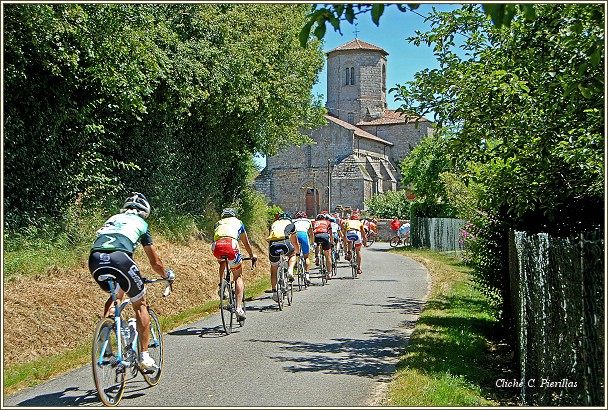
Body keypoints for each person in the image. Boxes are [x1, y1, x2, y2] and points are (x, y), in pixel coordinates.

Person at [89, 192, 175, 371]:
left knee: (116, 296)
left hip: (95, 259)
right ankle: (144, 356)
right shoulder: (142, 224)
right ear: (145, 212)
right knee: (140, 304)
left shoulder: (113, 218)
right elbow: (155, 262)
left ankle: (105, 335)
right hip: (120, 259)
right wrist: (166, 276)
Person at [212, 208, 257, 321]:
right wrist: (252, 255)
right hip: (231, 245)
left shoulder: (218, 223)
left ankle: (222, 287)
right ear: (234, 215)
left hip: (217, 246)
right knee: (238, 277)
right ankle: (238, 308)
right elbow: (246, 242)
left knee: (222, 261)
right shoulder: (239, 222)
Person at [267, 213, 300, 302]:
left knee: (274, 269)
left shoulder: (273, 224)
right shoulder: (291, 224)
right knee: (293, 254)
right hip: (285, 243)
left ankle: (274, 292)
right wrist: (297, 252)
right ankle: (290, 270)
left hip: (273, 246)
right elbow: (295, 242)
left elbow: (270, 239)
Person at [293, 211, 314, 284]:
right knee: (306, 257)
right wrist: (312, 243)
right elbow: (311, 233)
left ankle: (294, 266)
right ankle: (307, 275)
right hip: (304, 235)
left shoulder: (293, 221)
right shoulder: (308, 221)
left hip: (295, 235)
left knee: (293, 255)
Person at [312, 213, 334, 279]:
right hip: (325, 236)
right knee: (328, 256)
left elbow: (311, 233)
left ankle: (317, 257)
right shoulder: (327, 222)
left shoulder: (314, 223)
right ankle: (329, 273)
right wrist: (332, 242)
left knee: (317, 245)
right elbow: (331, 234)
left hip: (316, 236)